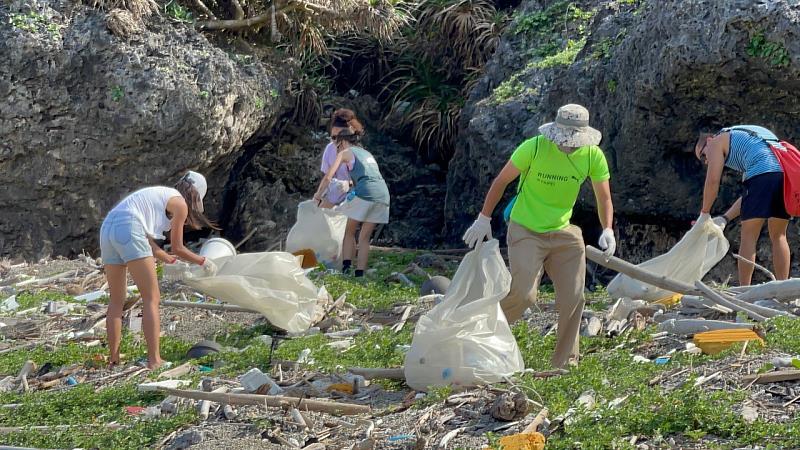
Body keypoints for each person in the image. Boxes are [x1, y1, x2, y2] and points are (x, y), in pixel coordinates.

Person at [462, 104, 615, 369]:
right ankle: (481, 333)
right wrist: (484, 218)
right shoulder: (533, 147)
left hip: (563, 231)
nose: (569, 145)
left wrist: (608, 229)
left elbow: (604, 197)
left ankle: (565, 364)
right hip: (525, 228)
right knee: (524, 295)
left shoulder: (593, 156)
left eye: (574, 140)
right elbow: (501, 181)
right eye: (565, 138)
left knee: (573, 297)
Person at [100, 171, 218, 369]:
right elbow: (178, 247)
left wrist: (168, 260)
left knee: (116, 301)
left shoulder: (158, 196)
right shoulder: (180, 204)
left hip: (108, 228)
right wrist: (203, 261)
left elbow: (147, 242)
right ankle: (155, 360)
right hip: (128, 228)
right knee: (152, 298)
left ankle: (114, 360)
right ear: (196, 195)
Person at [695, 125, 790, 286]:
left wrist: (704, 214)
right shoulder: (751, 140)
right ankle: (784, 289)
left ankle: (745, 292)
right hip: (785, 175)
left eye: (703, 155)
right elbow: (749, 195)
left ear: (708, 140)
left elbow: (712, 182)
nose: (706, 161)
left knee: (748, 236)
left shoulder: (716, 141)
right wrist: (725, 218)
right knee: (779, 235)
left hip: (763, 175)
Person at [313, 119, 390, 277]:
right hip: (383, 195)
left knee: (349, 231)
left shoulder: (344, 153)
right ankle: (360, 274)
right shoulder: (367, 153)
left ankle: (347, 268)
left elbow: (328, 177)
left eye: (336, 143)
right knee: (364, 237)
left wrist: (317, 196)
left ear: (342, 142)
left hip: (365, 194)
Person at [318, 109, 359, 208]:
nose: (336, 141)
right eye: (333, 137)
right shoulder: (329, 148)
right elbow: (327, 178)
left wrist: (347, 184)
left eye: (339, 137)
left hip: (353, 197)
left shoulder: (356, 152)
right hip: (334, 194)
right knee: (317, 216)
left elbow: (361, 182)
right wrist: (318, 196)